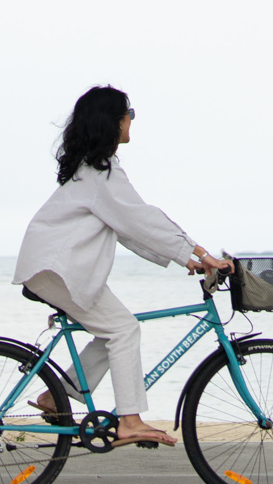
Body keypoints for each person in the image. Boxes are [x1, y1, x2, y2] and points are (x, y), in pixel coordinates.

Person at [12, 86, 227, 448]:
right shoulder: (102, 172)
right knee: (124, 330)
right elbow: (141, 219)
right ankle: (129, 421)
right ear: (114, 121)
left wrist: (183, 256)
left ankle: (55, 396)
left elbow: (127, 226)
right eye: (130, 113)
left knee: (113, 330)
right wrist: (199, 251)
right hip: (58, 269)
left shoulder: (94, 171)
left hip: (55, 267)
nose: (132, 120)